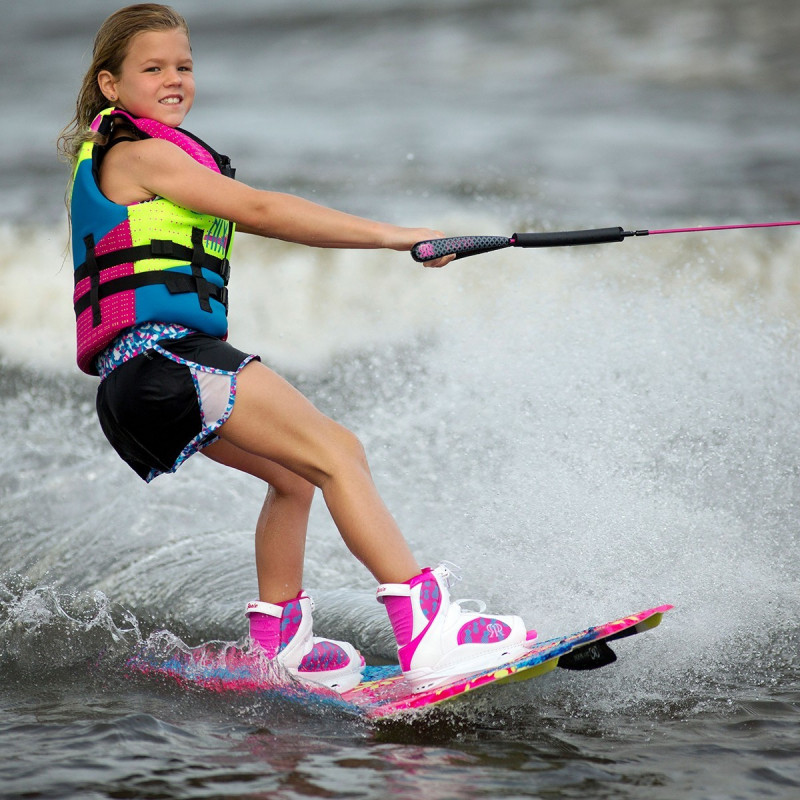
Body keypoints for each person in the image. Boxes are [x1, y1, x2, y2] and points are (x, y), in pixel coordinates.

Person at [59, 3, 534, 695]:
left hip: (134, 384)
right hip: (168, 361)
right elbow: (262, 211)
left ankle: (280, 646)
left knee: (295, 476)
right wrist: (399, 236)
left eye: (183, 67)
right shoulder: (142, 153)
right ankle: (432, 635)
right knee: (338, 452)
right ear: (110, 85)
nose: (173, 80)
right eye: (152, 68)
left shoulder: (123, 155)